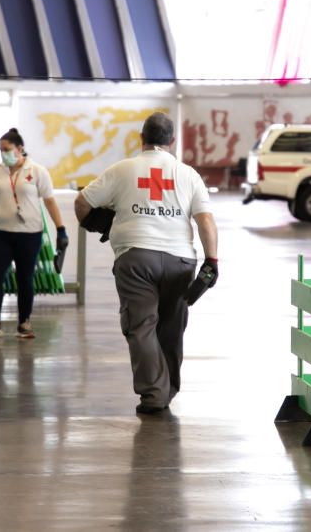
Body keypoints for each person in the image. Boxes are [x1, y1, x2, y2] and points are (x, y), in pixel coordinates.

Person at [74, 113, 218, 414]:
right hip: (180, 260)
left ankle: (154, 395)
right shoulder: (187, 174)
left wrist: (98, 222)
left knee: (141, 327)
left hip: (135, 258)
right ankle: (167, 391)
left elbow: (82, 202)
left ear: (141, 138)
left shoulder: (122, 169)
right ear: (172, 141)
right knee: (171, 327)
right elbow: (205, 219)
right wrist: (212, 260)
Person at [0, 128, 69, 340]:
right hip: (0, 233)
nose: (3, 153)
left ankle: (24, 323)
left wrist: (61, 230)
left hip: (29, 234)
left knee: (25, 278)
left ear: (19, 149)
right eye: (0, 150)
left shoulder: (38, 171)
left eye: (7, 149)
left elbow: (50, 201)